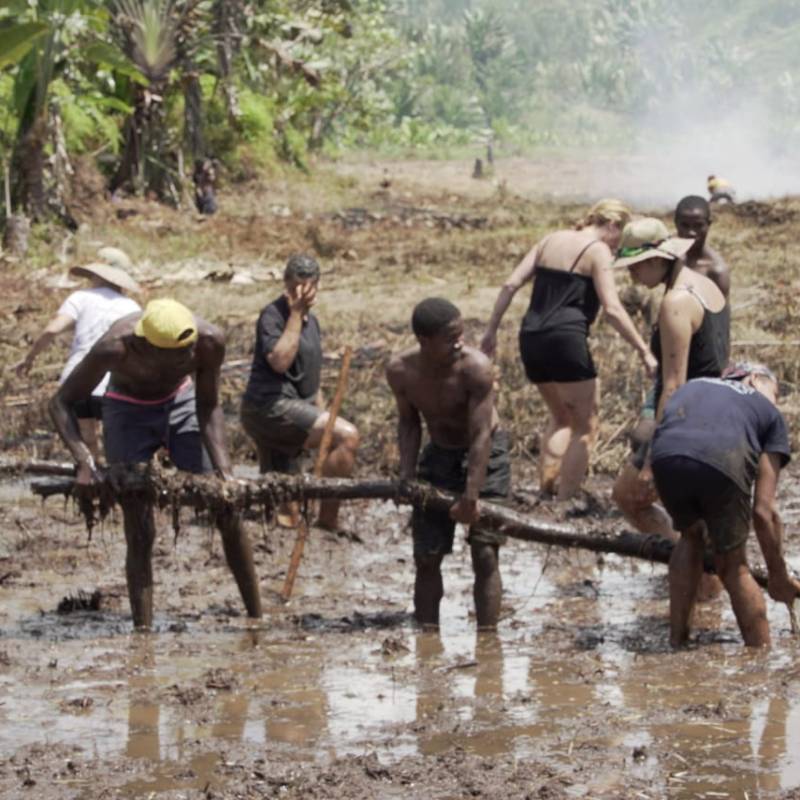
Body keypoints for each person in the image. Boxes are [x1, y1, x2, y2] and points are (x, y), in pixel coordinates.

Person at [49, 298, 262, 629]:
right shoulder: (115, 347)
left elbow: (208, 406)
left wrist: (227, 474)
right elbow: (61, 402)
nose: (186, 358)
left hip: (182, 403)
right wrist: (85, 463)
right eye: (176, 355)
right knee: (139, 523)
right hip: (127, 409)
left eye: (187, 351)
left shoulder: (208, 341)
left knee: (226, 507)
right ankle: (143, 632)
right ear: (144, 345)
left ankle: (256, 617)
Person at [480, 199, 656, 501]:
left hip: (531, 336)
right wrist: (643, 349)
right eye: (621, 236)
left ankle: (547, 490)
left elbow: (511, 285)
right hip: (566, 339)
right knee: (586, 426)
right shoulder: (596, 250)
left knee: (561, 417)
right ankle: (566, 501)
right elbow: (612, 309)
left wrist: (491, 331)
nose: (619, 247)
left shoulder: (550, 239)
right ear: (611, 225)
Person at [650, 364, 798, 647]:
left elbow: (664, 427)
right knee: (733, 566)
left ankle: (677, 640)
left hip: (665, 459)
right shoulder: (768, 412)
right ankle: (760, 657)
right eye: (775, 392)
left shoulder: (694, 386)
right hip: (721, 460)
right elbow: (764, 512)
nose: (775, 401)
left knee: (690, 537)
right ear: (753, 379)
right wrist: (778, 576)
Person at [386, 297, 511, 629]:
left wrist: (472, 495)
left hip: (486, 454)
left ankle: (488, 643)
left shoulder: (476, 368)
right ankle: (427, 637)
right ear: (424, 342)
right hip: (439, 453)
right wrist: (407, 476)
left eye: (462, 334)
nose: (460, 343)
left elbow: (482, 435)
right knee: (427, 556)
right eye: (450, 337)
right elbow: (409, 424)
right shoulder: (401, 371)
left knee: (484, 554)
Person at [612, 218, 730, 544]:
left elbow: (674, 384)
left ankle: (697, 580)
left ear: (655, 260)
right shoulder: (703, 284)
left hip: (688, 421)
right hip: (714, 411)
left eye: (634, 266)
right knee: (695, 524)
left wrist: (653, 458)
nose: (630, 275)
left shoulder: (675, 302)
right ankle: (687, 570)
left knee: (632, 497)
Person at [240, 254, 359, 531]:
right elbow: (280, 361)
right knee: (348, 436)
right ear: (285, 284)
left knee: (287, 514)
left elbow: (311, 380)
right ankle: (328, 521)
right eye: (296, 287)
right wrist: (294, 313)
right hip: (268, 407)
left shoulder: (313, 323)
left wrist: (323, 415)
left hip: (296, 405)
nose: (302, 293)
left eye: (309, 286)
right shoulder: (273, 315)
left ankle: (293, 520)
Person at [14, 249, 141, 459]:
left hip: (77, 381)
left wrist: (29, 359)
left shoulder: (81, 298)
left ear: (99, 275)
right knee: (114, 441)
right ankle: (115, 480)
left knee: (86, 437)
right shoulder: (131, 307)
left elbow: (52, 330)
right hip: (113, 384)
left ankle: (91, 477)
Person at [674, 195, 730, 297]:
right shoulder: (671, 259)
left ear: (708, 224)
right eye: (685, 225)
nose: (691, 232)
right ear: (676, 223)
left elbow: (721, 313)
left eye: (698, 225)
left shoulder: (715, 271)